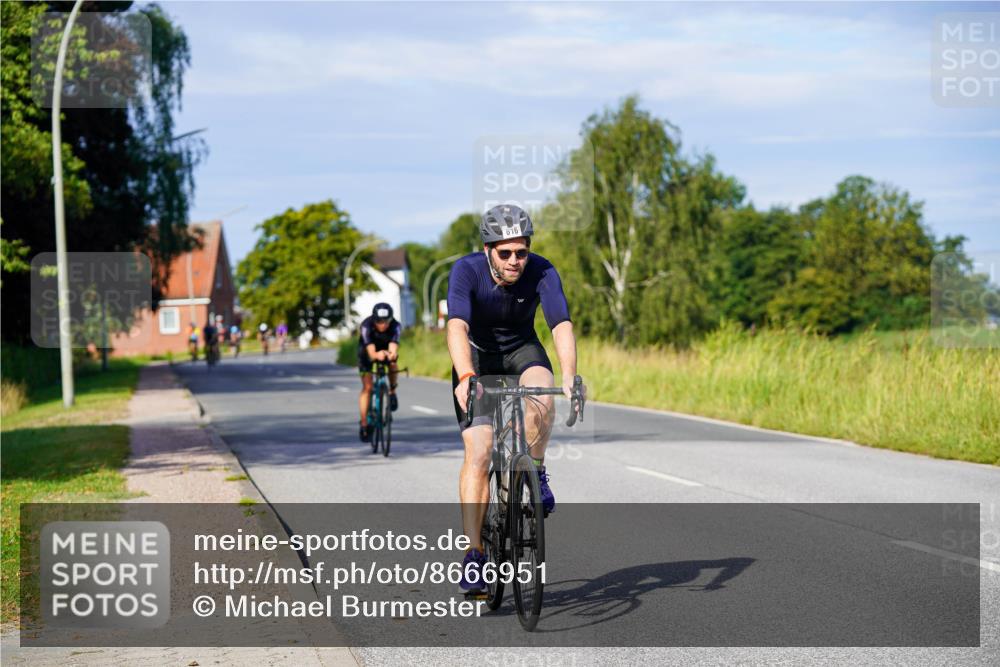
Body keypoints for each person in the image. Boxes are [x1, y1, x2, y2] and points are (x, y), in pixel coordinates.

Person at [447, 204, 580, 594]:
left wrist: (570, 374)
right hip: (477, 359)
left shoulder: (542, 270)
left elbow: (561, 325)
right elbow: (456, 325)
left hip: (522, 350)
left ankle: (535, 471)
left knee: (543, 394)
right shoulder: (466, 270)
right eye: (505, 253)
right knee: (480, 452)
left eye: (521, 252)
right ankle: (475, 555)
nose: (514, 261)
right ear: (487, 249)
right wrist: (466, 375)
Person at [356, 303, 401, 443]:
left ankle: (392, 391)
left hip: (384, 349)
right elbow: (371, 353)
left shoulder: (396, 326)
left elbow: (393, 348)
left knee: (393, 364)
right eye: (379, 321)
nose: (383, 325)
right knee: (368, 387)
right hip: (367, 352)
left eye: (386, 321)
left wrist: (391, 355)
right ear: (374, 319)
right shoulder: (366, 326)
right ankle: (364, 423)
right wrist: (376, 355)